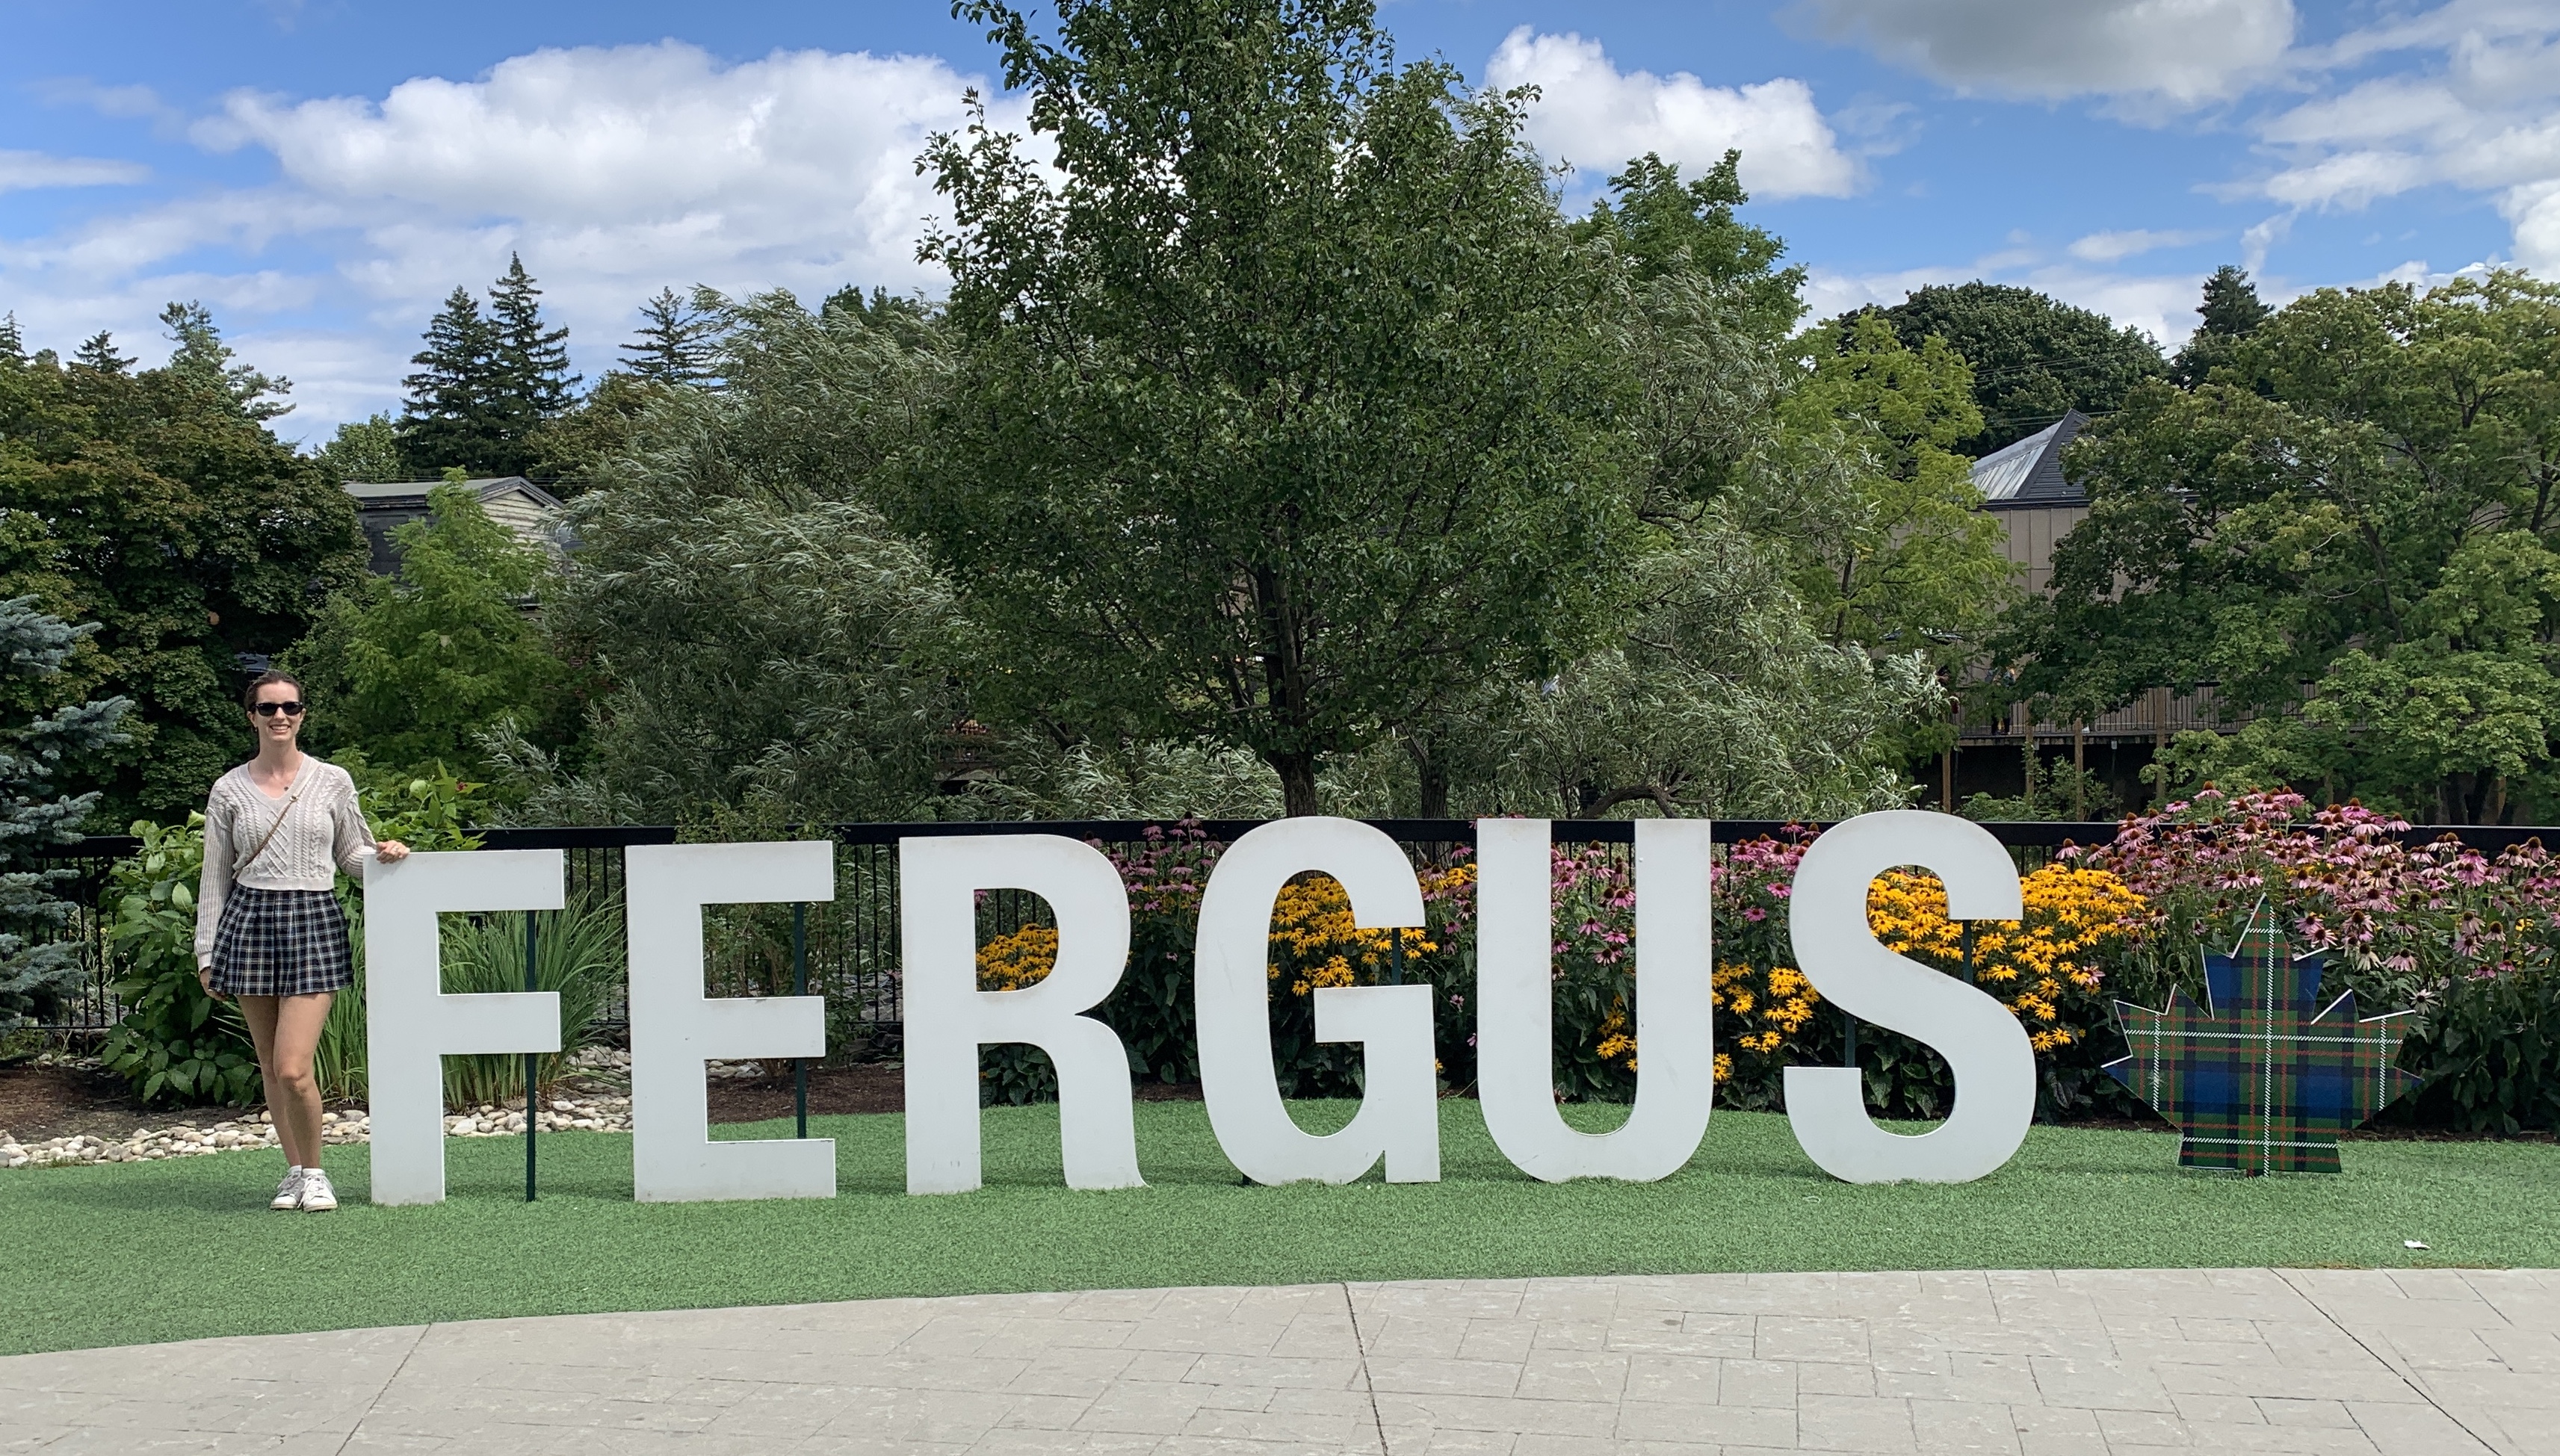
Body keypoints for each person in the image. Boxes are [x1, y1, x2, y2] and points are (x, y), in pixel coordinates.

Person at [195, 671, 409, 1212]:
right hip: (249, 919)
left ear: (303, 714)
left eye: (290, 706)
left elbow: (352, 856)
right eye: (268, 708)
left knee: (293, 1065)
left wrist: (385, 855)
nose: (280, 716)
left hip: (313, 915)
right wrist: (206, 952)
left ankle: (316, 1172)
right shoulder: (229, 789)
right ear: (252, 716)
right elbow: (215, 876)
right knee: (269, 1065)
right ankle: (293, 1171)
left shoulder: (332, 780)